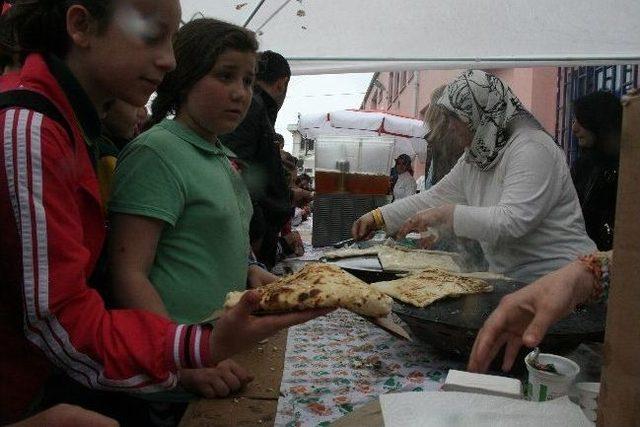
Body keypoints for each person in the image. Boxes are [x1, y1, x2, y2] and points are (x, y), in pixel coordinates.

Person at [0, 2, 326, 423]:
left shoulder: (75, 127)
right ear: (81, 26)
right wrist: (191, 352)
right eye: (152, 35)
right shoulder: (31, 128)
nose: (170, 59)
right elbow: (57, 315)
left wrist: (244, 271)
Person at [108, 18, 287, 406]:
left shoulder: (220, 155)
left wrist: (248, 269)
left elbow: (205, 240)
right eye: (226, 76)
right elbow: (127, 273)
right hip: (172, 375)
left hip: (217, 349)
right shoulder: (157, 152)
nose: (240, 93)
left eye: (247, 81)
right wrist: (179, 365)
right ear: (186, 77)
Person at [352, 70, 596, 283]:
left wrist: (449, 215)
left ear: (481, 114)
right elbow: (434, 198)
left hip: (564, 281)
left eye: (454, 119)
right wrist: (377, 217)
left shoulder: (531, 148)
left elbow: (513, 221)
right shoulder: (476, 157)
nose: (450, 127)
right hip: (513, 281)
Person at [219, 50, 301, 270]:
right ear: (282, 83)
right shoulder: (252, 108)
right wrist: (258, 232)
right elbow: (235, 172)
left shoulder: (257, 109)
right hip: (253, 241)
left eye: (247, 81)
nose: (240, 93)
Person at [467, 251, 611, 373]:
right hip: (566, 279)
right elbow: (630, 260)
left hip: (558, 264)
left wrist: (453, 216)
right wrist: (585, 273)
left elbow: (511, 223)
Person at [571, 91, 622, 251]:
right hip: (581, 259)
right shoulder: (583, 166)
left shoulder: (627, 169)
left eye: (582, 120)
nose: (574, 128)